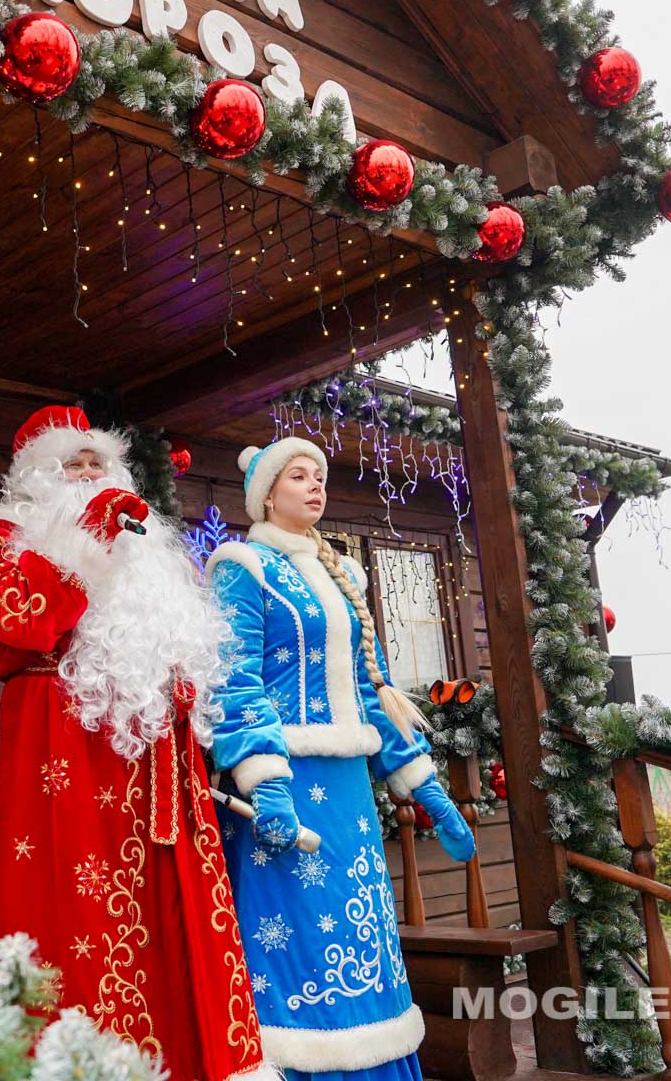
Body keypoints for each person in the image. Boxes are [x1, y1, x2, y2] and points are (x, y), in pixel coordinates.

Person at [0, 405, 275, 1081]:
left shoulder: (147, 546)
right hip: (64, 755)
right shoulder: (0, 538)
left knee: (171, 924)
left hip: (156, 766)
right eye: (71, 463)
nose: (88, 473)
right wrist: (89, 540)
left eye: (96, 462)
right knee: (82, 922)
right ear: (36, 476)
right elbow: (21, 624)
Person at [206, 438, 476, 1081]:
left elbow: (366, 691)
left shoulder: (342, 574)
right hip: (282, 784)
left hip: (348, 789)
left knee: (360, 932)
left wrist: (425, 786)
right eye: (297, 476)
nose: (314, 485)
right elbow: (234, 680)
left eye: (319, 476)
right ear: (266, 495)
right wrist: (266, 783)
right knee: (295, 935)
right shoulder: (241, 567)